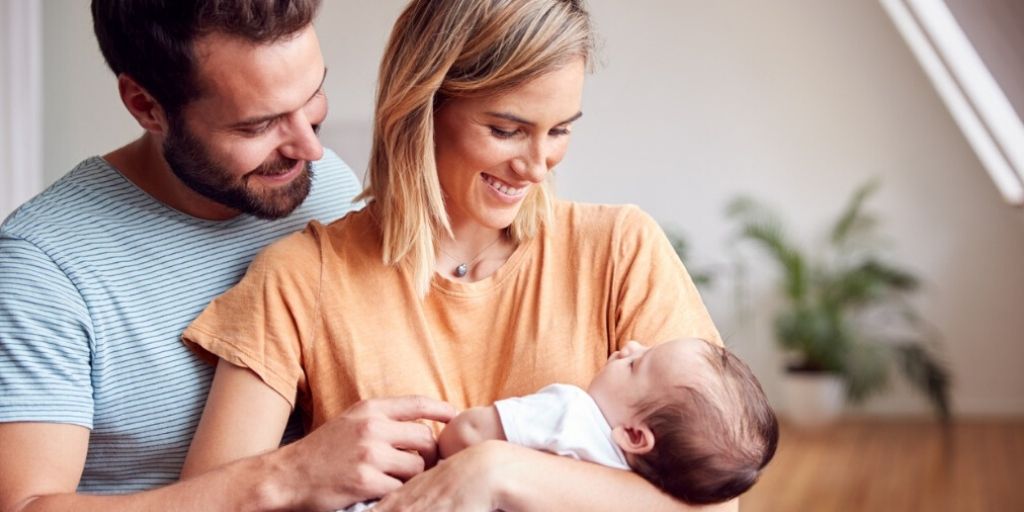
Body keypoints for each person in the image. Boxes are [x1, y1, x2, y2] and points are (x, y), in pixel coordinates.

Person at [181, 0, 738, 510]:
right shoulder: (302, 279)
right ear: (422, 107)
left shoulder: (621, 250)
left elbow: (718, 505)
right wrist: (299, 468)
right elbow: (209, 499)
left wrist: (495, 469)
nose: (537, 166)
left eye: (560, 130)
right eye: (505, 130)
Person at [0, 1, 456, 510]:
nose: (310, 148)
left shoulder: (325, 188)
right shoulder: (43, 268)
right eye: (257, 126)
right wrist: (285, 475)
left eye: (313, 96)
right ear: (146, 105)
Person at [438, 337, 779, 505]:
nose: (630, 345)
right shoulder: (641, 487)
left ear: (633, 434)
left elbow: (464, 435)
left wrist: (442, 435)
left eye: (636, 365)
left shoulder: (570, 414)